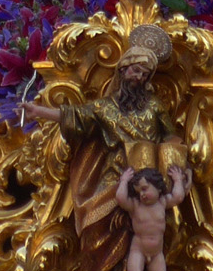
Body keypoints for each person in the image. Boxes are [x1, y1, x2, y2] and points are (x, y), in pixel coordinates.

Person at [23, 23, 184, 271]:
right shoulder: (104, 108)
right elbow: (74, 116)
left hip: (149, 179)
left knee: (156, 227)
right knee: (97, 226)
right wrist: (38, 111)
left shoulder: (154, 106)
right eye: (135, 71)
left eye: (144, 74)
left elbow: (170, 136)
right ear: (123, 70)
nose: (138, 77)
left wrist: (174, 160)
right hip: (115, 176)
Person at [114, 165, 189, 271]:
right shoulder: (136, 205)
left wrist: (177, 180)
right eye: (139, 192)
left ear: (158, 187)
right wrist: (124, 181)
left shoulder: (162, 202)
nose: (142, 194)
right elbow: (121, 198)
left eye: (144, 189)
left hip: (156, 254)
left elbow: (178, 197)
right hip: (138, 250)